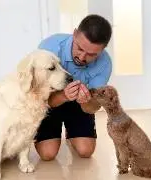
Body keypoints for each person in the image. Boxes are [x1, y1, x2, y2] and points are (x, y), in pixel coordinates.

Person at [34, 14, 113, 161]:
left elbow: (92, 108)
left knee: (86, 151)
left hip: (79, 104)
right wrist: (64, 95)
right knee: (47, 154)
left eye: (91, 54)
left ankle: (71, 135)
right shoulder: (49, 48)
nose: (82, 58)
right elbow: (39, 97)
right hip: (49, 101)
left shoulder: (105, 64)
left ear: (102, 50)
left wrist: (85, 101)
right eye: (80, 48)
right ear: (75, 34)